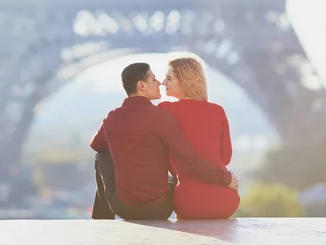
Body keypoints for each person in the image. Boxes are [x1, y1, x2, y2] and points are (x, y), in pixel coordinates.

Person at [90, 62, 238, 220]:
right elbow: (189, 159)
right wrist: (225, 178)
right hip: (160, 208)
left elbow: (95, 144)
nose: (159, 83)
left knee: (102, 156)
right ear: (141, 85)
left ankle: (102, 220)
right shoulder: (161, 116)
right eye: (153, 80)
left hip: (125, 208)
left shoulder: (112, 117)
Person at [158, 54, 240, 219]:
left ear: (185, 80)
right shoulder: (218, 111)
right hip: (225, 201)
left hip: (189, 202)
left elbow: (163, 157)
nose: (163, 83)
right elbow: (225, 158)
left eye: (169, 78)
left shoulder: (165, 110)